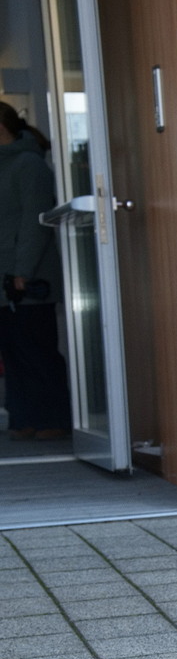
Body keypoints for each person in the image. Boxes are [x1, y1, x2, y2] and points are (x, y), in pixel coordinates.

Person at [0, 101, 70, 441]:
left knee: (37, 349)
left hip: (27, 278)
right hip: (5, 277)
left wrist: (22, 272)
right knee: (13, 350)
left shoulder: (29, 165)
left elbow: (35, 221)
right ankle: (24, 419)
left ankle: (53, 419)